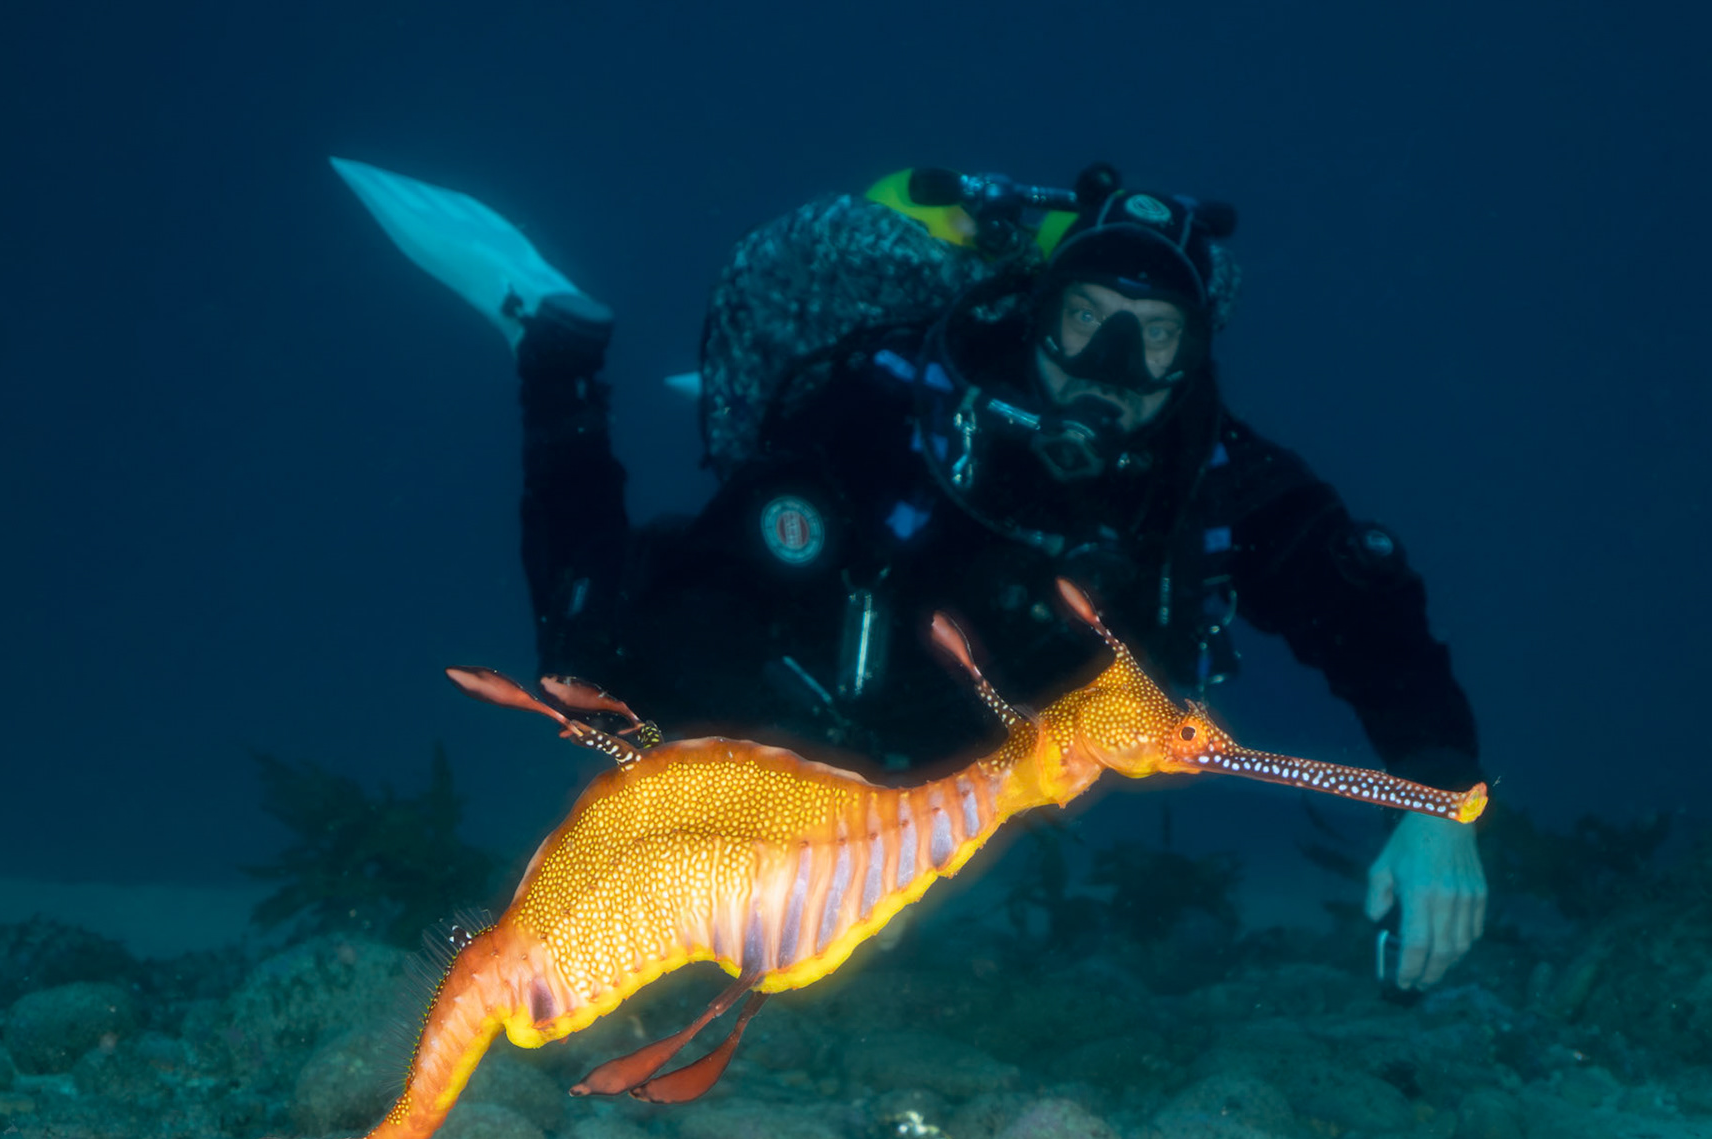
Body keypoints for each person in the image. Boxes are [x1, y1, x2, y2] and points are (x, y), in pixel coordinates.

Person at [337, 158, 1488, 988]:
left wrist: (1441, 800)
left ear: (1193, 362)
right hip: (804, 659)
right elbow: (748, 559)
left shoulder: (1215, 479)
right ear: (1036, 314)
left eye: (1151, 339)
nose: (1107, 366)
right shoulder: (892, 402)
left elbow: (1370, 614)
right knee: (593, 673)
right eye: (1084, 319)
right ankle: (550, 336)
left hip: (968, 746)